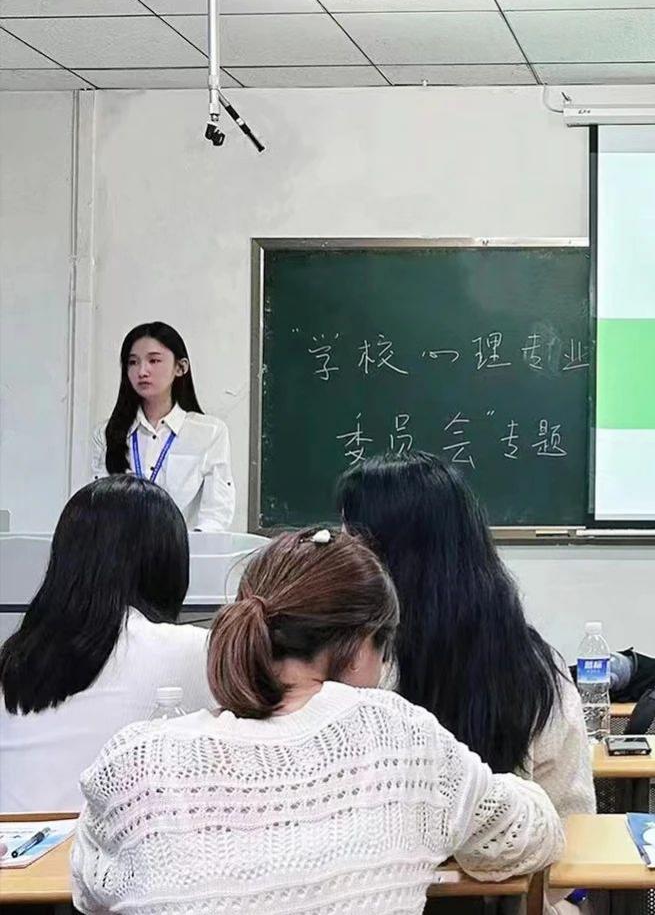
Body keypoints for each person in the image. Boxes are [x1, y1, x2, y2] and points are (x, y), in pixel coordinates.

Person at [72, 528, 564, 915]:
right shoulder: (397, 735)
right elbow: (527, 835)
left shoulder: (135, 760)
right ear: (361, 647)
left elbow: (91, 889)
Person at [338, 453, 594, 819]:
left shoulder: (353, 663)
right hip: (516, 853)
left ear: (389, 555)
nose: (339, 557)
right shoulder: (532, 665)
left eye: (350, 540)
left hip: (385, 858)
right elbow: (574, 817)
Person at [0, 475, 212, 812]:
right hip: (112, 842)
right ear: (167, 564)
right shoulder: (195, 651)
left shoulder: (13, 658)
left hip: (19, 841)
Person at [92, 321, 234, 531]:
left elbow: (216, 513)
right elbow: (96, 506)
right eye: (133, 362)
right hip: (120, 547)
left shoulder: (210, 432)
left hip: (183, 547)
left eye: (154, 360)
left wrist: (188, 545)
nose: (142, 371)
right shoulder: (106, 433)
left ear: (180, 367)